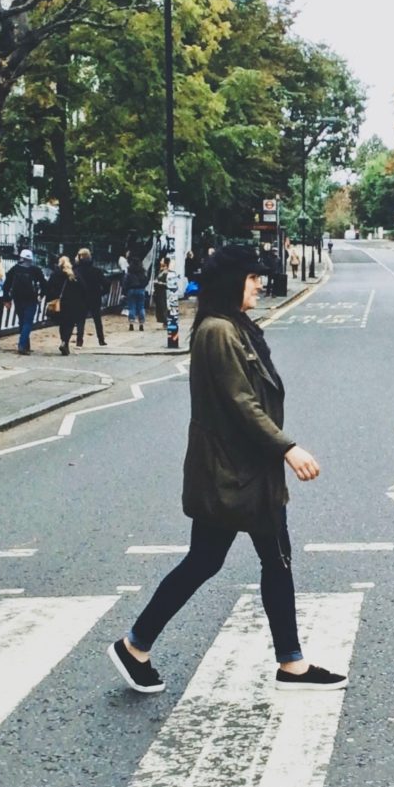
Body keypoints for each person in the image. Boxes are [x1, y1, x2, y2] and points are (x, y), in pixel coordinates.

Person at [106, 244, 347, 694]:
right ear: (231, 281)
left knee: (225, 561)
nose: (260, 283)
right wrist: (287, 448)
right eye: (252, 276)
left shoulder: (233, 327)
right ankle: (287, 665)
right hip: (236, 474)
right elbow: (242, 403)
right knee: (252, 560)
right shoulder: (218, 331)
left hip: (241, 469)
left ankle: (137, 645)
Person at [2, 249, 46, 355]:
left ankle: (26, 345)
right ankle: (22, 345)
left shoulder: (14, 269)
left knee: (22, 321)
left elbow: (6, 285)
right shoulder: (36, 270)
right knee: (28, 322)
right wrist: (41, 295)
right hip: (31, 298)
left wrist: (7, 299)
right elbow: (44, 284)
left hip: (17, 298)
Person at [45, 255, 88, 356]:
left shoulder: (55, 274)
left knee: (62, 324)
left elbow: (48, 288)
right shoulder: (74, 275)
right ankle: (65, 342)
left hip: (59, 303)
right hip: (72, 303)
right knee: (70, 324)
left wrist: (50, 300)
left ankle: (63, 341)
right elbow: (83, 288)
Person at [74, 248, 108, 347]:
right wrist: (101, 293)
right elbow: (106, 284)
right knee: (97, 320)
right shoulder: (96, 271)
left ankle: (79, 340)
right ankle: (101, 340)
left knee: (80, 320)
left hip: (81, 298)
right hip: (95, 298)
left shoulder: (76, 271)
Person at [122, 253, 148, 331]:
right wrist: (143, 286)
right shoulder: (142, 272)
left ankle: (131, 324)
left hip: (131, 290)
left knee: (131, 307)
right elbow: (146, 280)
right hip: (141, 290)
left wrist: (124, 292)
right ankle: (141, 324)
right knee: (141, 307)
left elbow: (125, 283)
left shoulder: (129, 273)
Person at [153, 256, 171, 327]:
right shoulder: (161, 270)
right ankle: (164, 321)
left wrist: (159, 283)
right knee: (161, 306)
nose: (160, 262)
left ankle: (166, 321)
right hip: (159, 291)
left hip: (164, 291)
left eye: (162, 260)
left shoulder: (167, 272)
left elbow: (168, 283)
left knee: (164, 306)